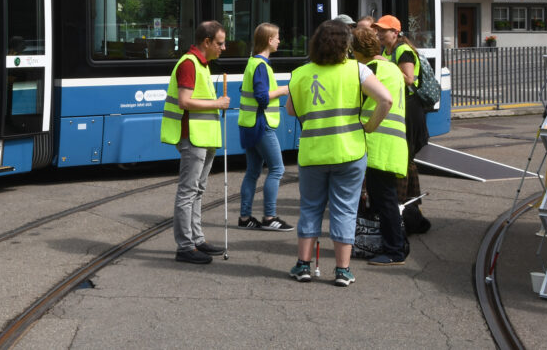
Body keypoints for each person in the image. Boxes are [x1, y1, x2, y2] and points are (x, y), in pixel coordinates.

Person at [286, 19, 392, 286]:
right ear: (346, 45)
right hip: (350, 151)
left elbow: (290, 110)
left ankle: (303, 265)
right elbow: (386, 99)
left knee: (310, 208)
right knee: (344, 210)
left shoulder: (300, 73)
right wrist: (369, 125)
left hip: (313, 153)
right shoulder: (358, 71)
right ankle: (343, 270)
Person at [161, 20, 231, 265]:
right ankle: (186, 246)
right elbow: (184, 101)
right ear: (207, 42)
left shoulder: (202, 64)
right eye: (220, 43)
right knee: (188, 191)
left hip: (203, 136)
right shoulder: (190, 64)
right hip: (193, 137)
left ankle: (197, 239)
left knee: (197, 190)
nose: (223, 48)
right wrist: (218, 104)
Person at [351, 26, 409, 265]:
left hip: (377, 142)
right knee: (386, 198)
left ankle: (395, 250)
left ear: (357, 51)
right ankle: (393, 244)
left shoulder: (368, 69)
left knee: (385, 200)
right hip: (394, 143)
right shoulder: (391, 67)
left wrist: (367, 127)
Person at [372, 14, 431, 234]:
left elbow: (409, 79)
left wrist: (387, 65)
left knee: (404, 161)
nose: (378, 33)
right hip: (402, 108)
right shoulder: (389, 51)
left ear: (395, 33)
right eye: (377, 30)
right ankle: (410, 208)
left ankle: (404, 210)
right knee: (406, 161)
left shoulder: (402, 51)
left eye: (383, 30)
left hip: (410, 109)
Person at [237, 23, 292, 231]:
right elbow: (261, 97)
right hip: (261, 125)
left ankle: (245, 217)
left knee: (252, 172)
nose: (279, 41)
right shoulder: (261, 65)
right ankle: (269, 217)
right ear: (269, 40)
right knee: (277, 169)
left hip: (249, 124)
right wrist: (283, 90)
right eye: (277, 37)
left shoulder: (252, 63)